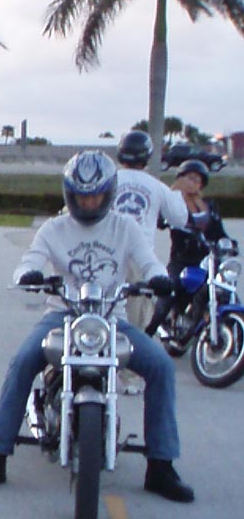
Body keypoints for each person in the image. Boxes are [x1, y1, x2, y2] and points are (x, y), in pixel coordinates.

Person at [0, 151, 192, 503]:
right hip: (62, 314)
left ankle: (161, 466)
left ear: (108, 193)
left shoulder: (125, 227)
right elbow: (30, 259)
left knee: (160, 366)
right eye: (82, 196)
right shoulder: (54, 228)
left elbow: (149, 261)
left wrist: (159, 278)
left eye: (96, 195)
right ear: (70, 194)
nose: (89, 202)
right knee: (22, 362)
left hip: (112, 317)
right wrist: (28, 274)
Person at [111, 130, 192, 392]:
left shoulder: (110, 179)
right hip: (139, 258)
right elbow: (180, 218)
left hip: (106, 252)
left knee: (98, 311)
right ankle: (130, 377)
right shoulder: (155, 185)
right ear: (146, 157)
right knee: (136, 321)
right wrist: (177, 194)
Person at [145, 158, 230, 340]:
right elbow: (160, 221)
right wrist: (172, 193)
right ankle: (147, 334)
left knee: (225, 289)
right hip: (181, 260)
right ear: (181, 179)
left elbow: (218, 231)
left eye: (198, 180)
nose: (194, 183)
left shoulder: (209, 205)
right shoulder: (174, 202)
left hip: (207, 260)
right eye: (190, 178)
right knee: (168, 294)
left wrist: (228, 243)